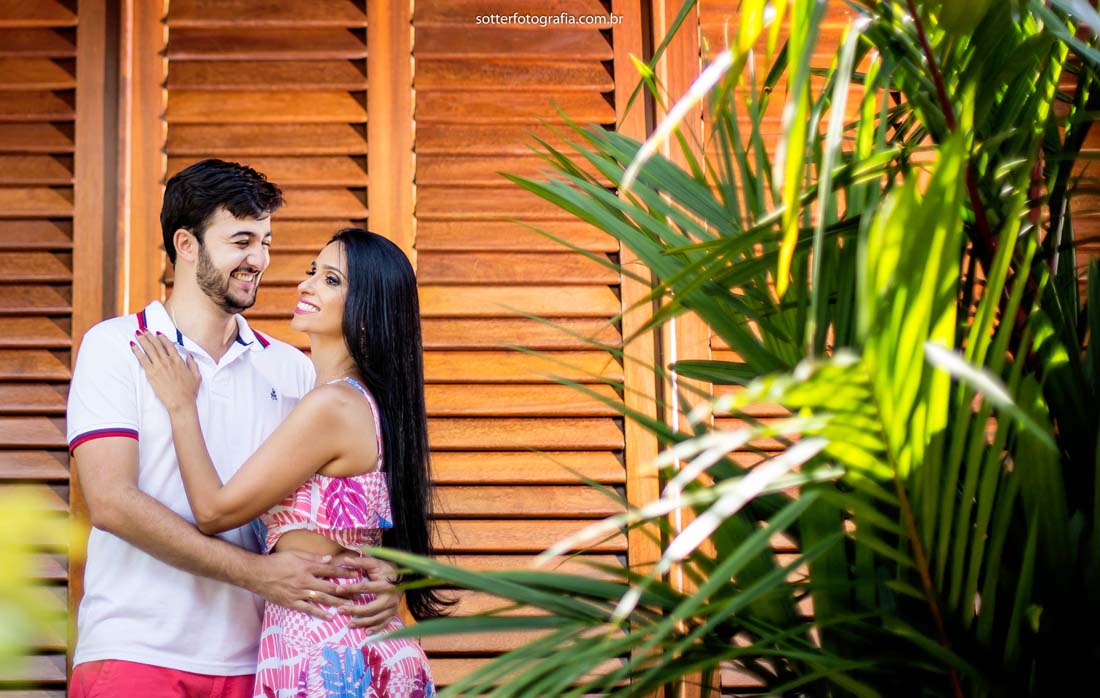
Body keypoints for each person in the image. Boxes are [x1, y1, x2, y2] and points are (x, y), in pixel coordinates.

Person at [67, 160, 402, 697]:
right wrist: (256, 573)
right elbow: (111, 502)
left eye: (266, 242)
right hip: (136, 651)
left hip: (262, 660)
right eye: (242, 241)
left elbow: (333, 503)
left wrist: (382, 572)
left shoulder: (293, 369)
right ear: (187, 244)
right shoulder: (116, 346)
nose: (260, 260)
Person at [131, 228, 445, 697]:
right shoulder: (354, 403)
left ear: (367, 312)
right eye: (313, 271)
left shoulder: (331, 407)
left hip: (328, 655)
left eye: (331, 280)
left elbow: (213, 512)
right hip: (347, 646)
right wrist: (391, 573)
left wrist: (181, 405)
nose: (306, 284)